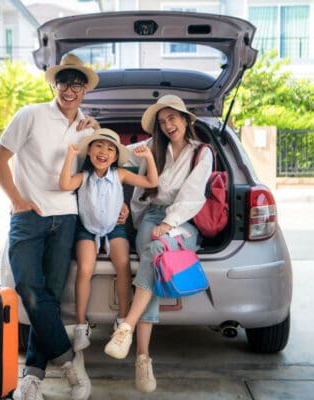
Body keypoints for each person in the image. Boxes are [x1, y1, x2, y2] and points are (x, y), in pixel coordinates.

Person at [0, 54, 107, 400]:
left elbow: (105, 170)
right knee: (28, 288)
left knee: (51, 298)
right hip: (28, 216)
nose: (69, 90)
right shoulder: (30, 115)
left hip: (67, 217)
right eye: (63, 82)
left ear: (84, 89)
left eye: (76, 83)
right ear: (54, 84)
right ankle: (70, 362)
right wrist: (16, 200)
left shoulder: (88, 127)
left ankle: (33, 376)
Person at [102, 94, 213, 393]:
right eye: (162, 122)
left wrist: (168, 223)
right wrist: (92, 138)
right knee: (153, 253)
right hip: (151, 217)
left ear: (185, 119)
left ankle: (128, 331)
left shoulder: (202, 152)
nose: (167, 126)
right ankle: (141, 359)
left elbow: (192, 196)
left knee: (155, 250)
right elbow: (121, 159)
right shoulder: (152, 149)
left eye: (172, 118)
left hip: (184, 221)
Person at [58, 128, 158, 353]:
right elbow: (64, 184)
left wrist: (149, 158)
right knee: (85, 268)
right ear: (90, 151)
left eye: (110, 148)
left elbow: (151, 181)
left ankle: (122, 319)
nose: (104, 152)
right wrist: (70, 157)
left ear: (115, 156)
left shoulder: (120, 174)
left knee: (122, 265)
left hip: (115, 229)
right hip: (88, 230)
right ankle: (81, 324)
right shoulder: (84, 177)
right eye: (98, 146)